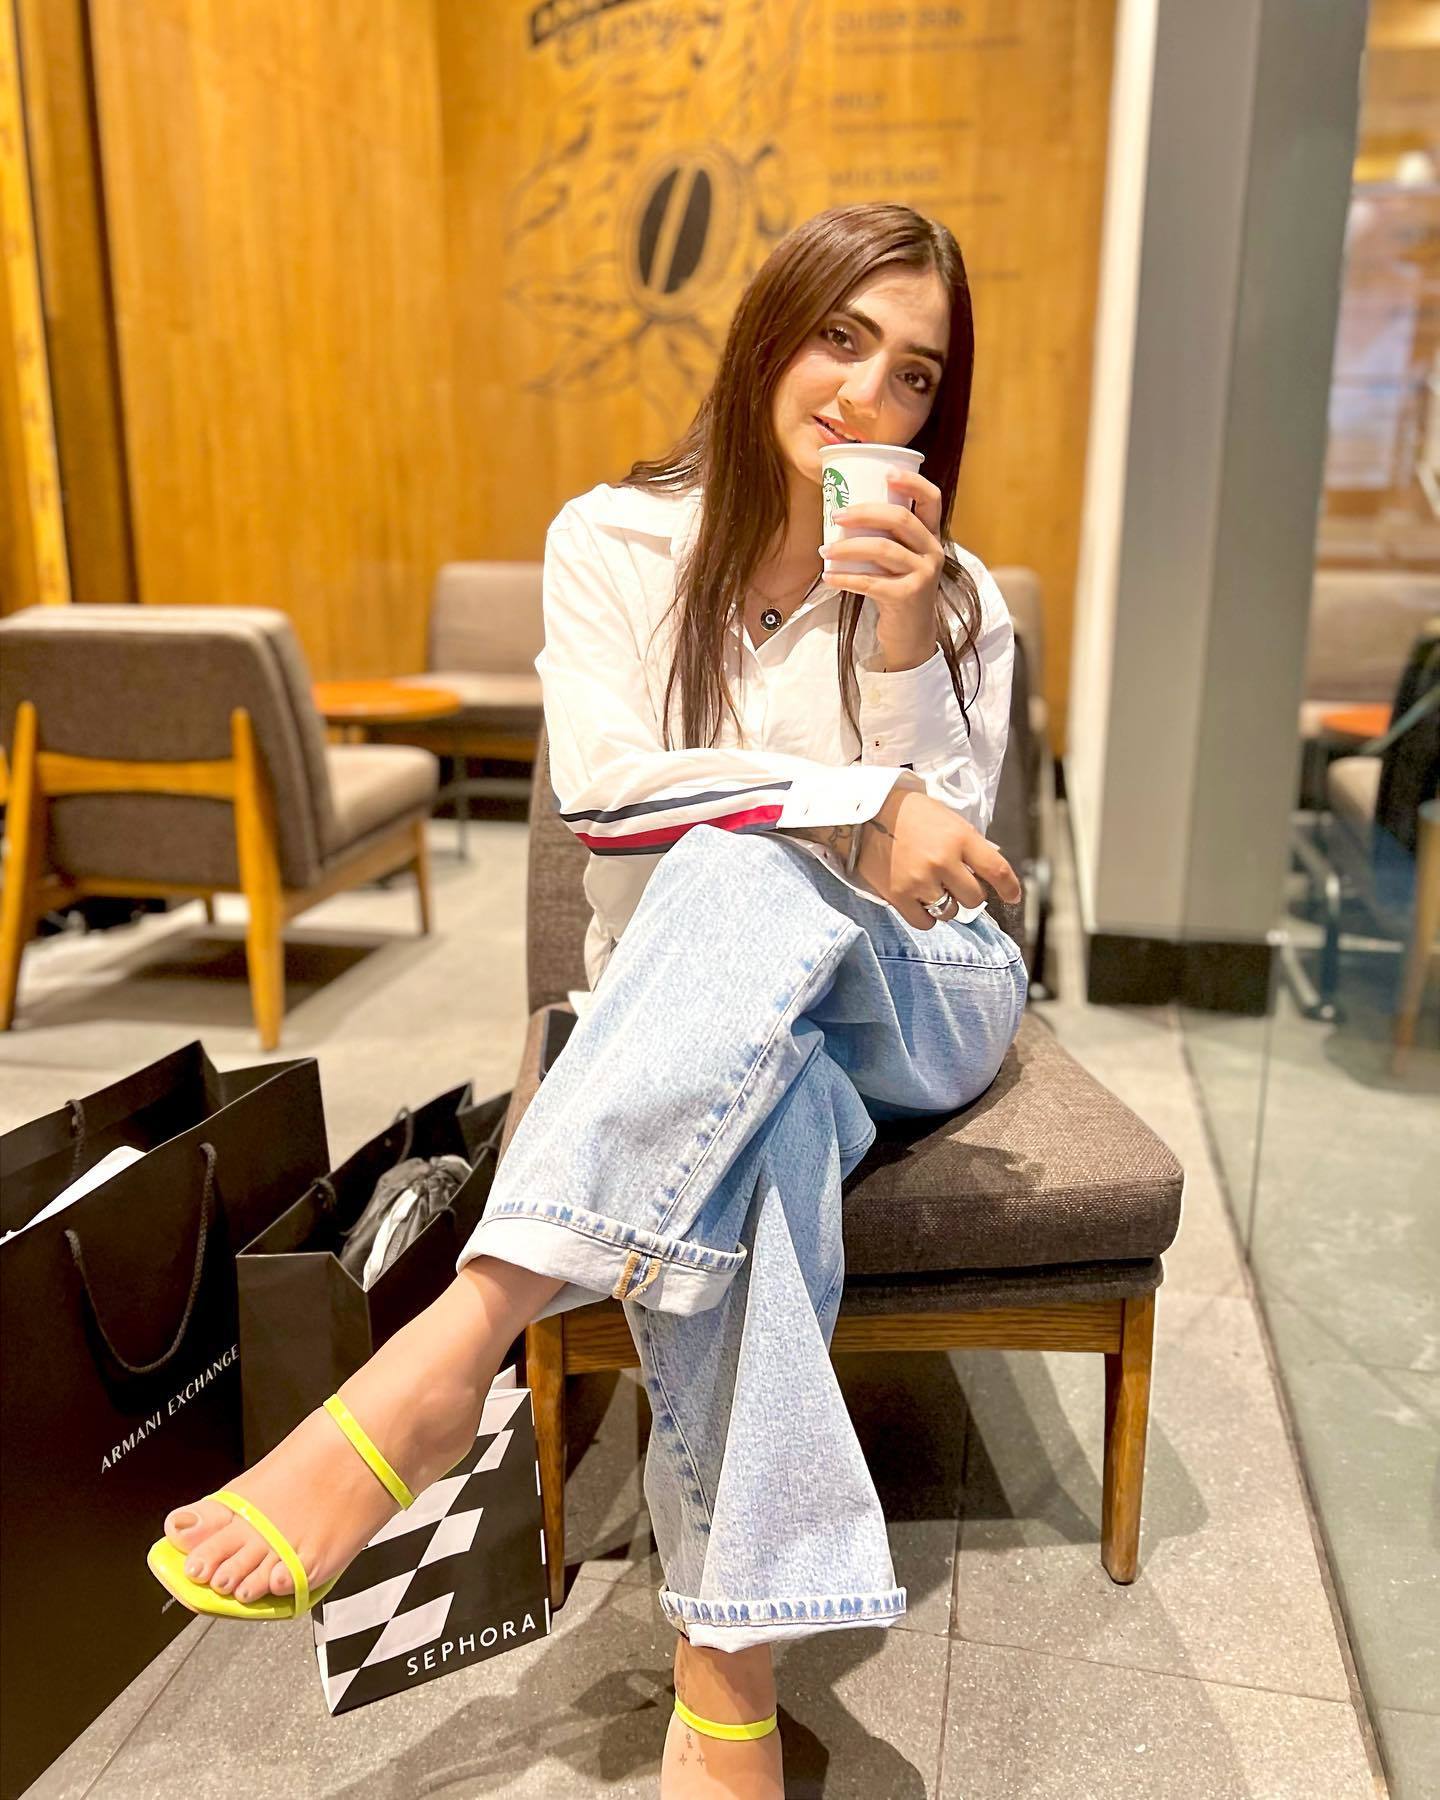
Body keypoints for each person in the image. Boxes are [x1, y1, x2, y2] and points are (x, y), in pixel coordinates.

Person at [149, 201, 1027, 1798]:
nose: (868, 394)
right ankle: (727, 1684)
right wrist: (844, 805)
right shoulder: (615, 542)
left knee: (750, 866)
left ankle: (447, 1352)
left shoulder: (956, 596)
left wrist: (903, 648)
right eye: (842, 338)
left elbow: (941, 875)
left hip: (925, 993)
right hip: (716, 1014)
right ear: (768, 334)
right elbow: (609, 802)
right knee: (767, 1089)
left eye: (915, 374)